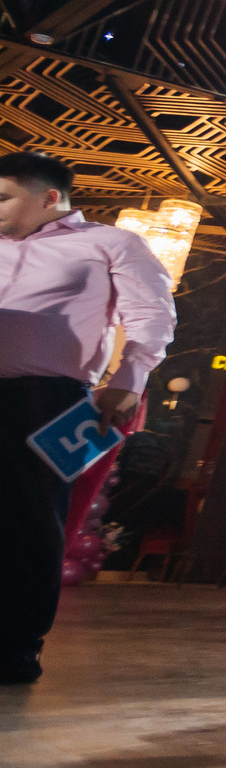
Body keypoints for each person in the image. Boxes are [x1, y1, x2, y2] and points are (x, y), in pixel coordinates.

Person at [0, 151, 175, 685]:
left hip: (46, 397)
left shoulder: (111, 242)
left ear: (49, 197)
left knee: (29, 523)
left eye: (3, 197)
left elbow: (151, 314)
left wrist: (128, 381)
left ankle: (14, 650)